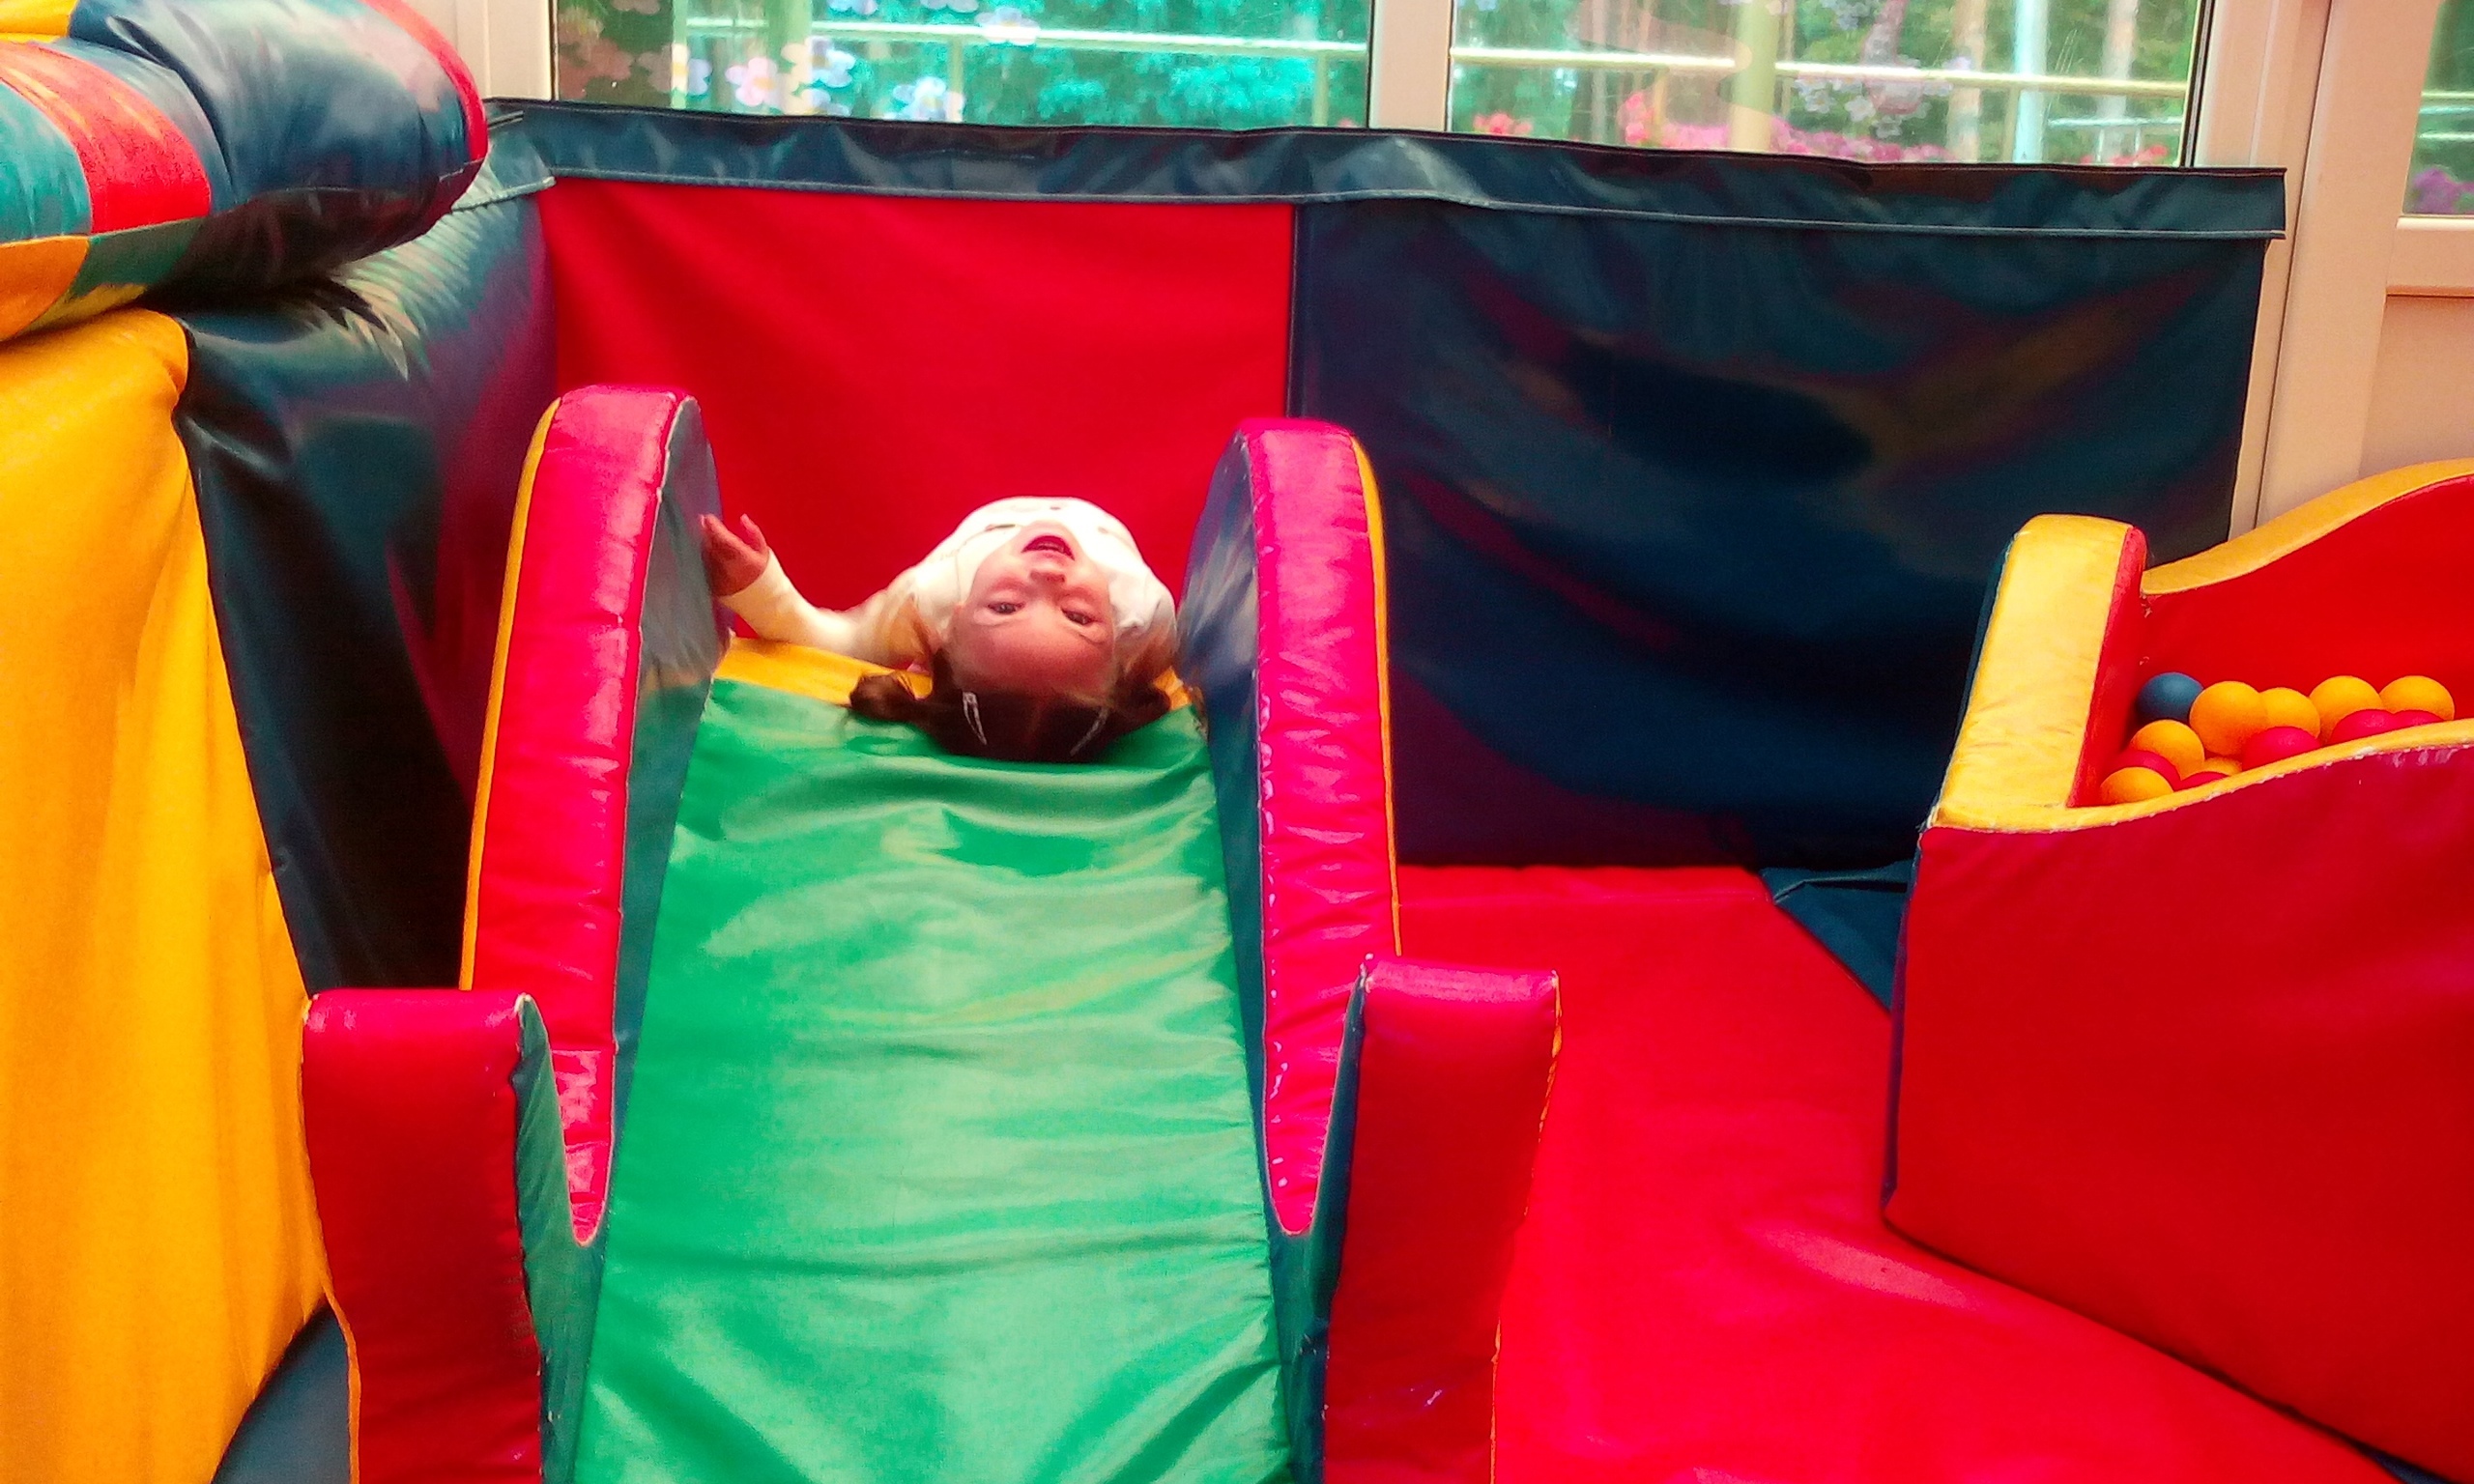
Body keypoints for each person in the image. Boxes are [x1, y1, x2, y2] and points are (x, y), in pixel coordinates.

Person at [700, 497, 1177, 763]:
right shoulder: (1147, 616)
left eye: (1005, 608)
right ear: (1118, 644)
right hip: (1099, 526)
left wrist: (761, 591)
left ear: (954, 624)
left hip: (988, 530)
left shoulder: (932, 599)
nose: (1050, 576)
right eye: (1078, 617)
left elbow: (842, 641)